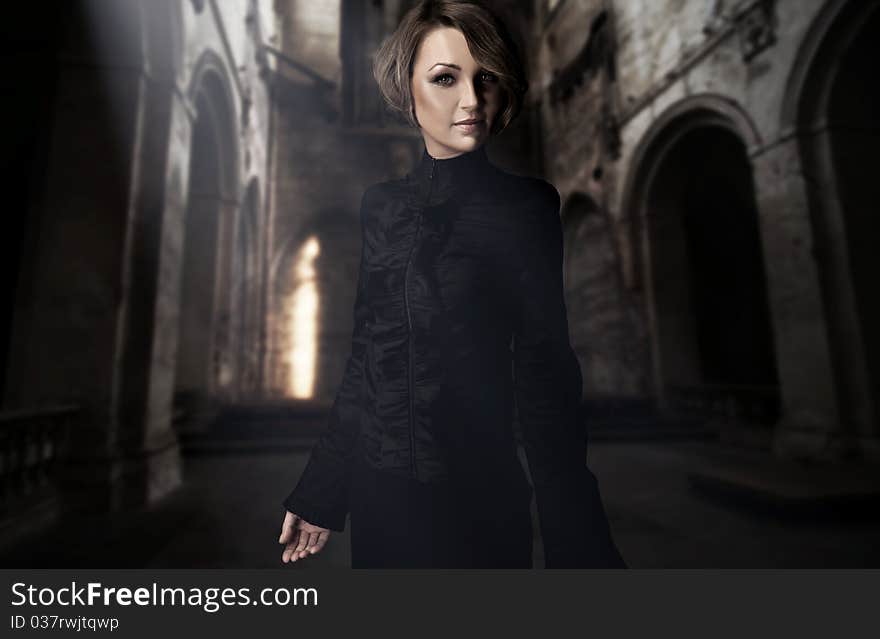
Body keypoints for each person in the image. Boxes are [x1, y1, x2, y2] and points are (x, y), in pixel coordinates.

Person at [279, 0, 626, 568]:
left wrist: (578, 540)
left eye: (486, 78)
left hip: (481, 505)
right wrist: (320, 491)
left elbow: (546, 377)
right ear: (406, 89)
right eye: (445, 78)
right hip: (380, 506)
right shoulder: (381, 208)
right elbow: (367, 359)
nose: (471, 100)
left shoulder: (526, 208)